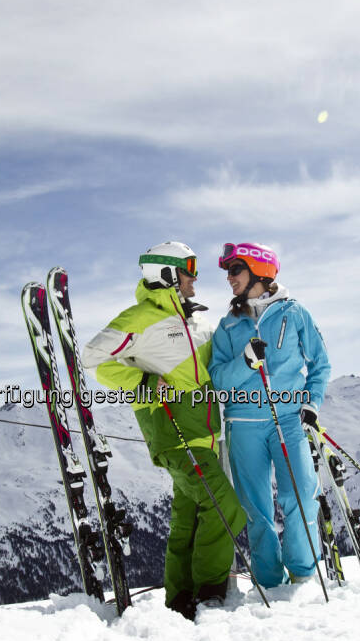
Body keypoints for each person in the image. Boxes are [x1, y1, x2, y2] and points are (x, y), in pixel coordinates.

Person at [82, 241, 246, 620]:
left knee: (188, 519)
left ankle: (179, 600)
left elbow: (212, 370)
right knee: (224, 508)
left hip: (206, 434)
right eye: (189, 268)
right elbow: (93, 357)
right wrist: (143, 381)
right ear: (168, 274)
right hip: (173, 433)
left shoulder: (197, 322)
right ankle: (209, 594)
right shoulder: (140, 318)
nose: (195, 277)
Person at [208, 242, 331, 588]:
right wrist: (245, 361)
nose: (229, 279)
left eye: (235, 270)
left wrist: (312, 403)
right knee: (256, 510)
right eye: (228, 272)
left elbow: (320, 365)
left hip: (289, 419)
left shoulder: (295, 314)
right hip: (243, 424)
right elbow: (218, 380)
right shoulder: (228, 326)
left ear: (259, 270)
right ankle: (267, 580)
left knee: (301, 495)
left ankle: (304, 573)